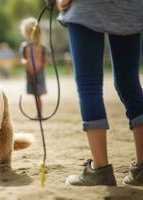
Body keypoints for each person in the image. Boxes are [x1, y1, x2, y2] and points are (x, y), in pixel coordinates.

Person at [57, 0, 143, 186]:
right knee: (130, 83)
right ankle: (142, 169)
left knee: (89, 85)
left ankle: (100, 170)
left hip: (87, 6)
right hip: (129, 7)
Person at [19, 17, 48, 116]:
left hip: (38, 72)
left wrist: (38, 67)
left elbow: (44, 60)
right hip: (30, 72)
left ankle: (39, 113)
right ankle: (39, 113)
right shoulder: (25, 46)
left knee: (37, 94)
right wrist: (26, 63)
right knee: (36, 94)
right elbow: (23, 58)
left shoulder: (42, 46)